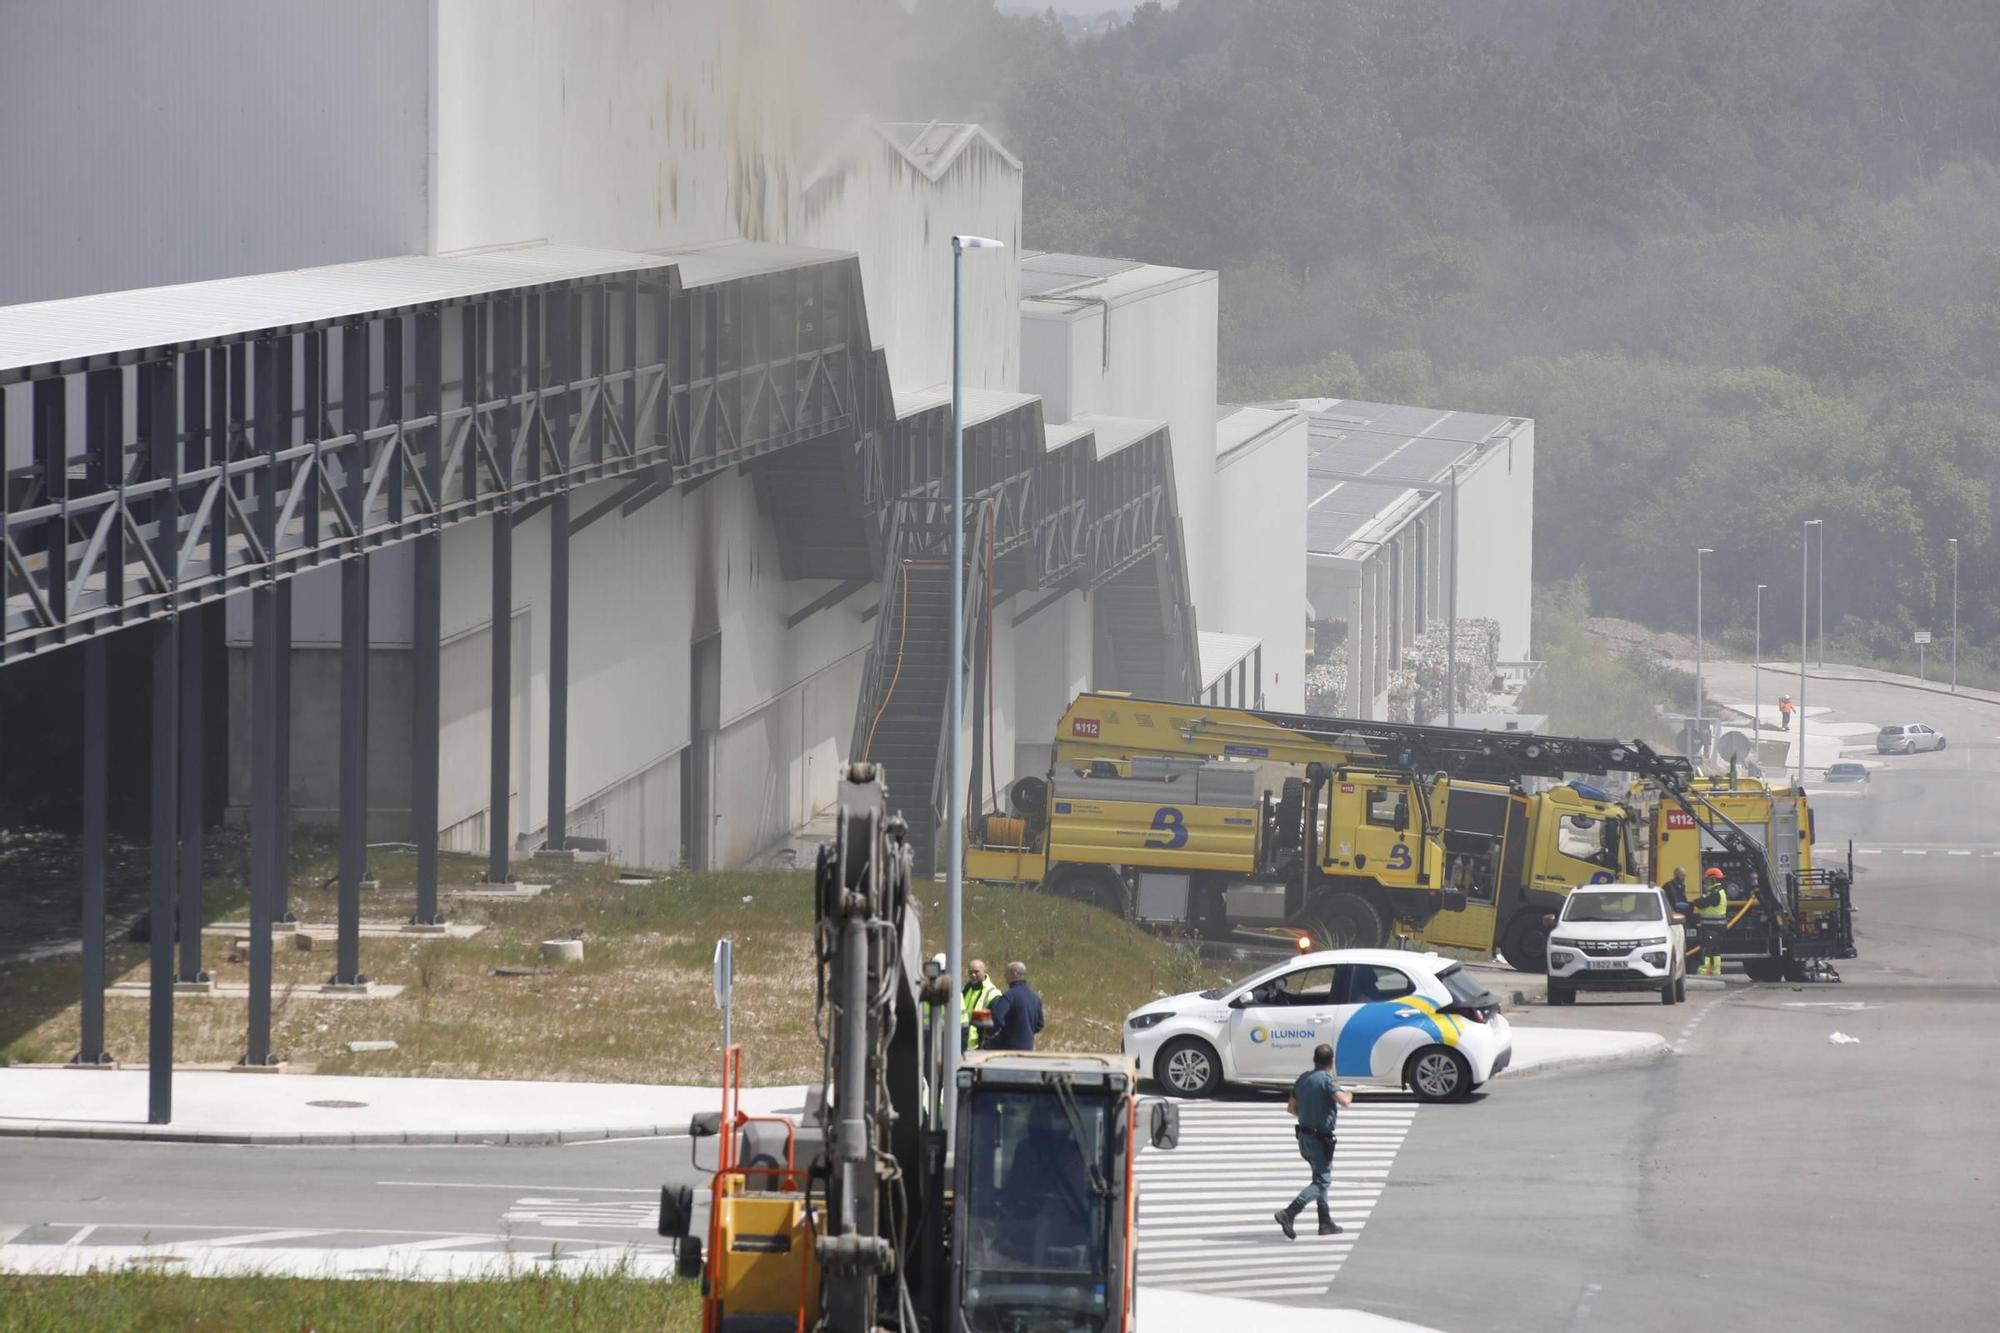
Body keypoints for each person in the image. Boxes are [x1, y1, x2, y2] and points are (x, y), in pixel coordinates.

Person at [1275, 1043, 1352, 1239]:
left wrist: (1308, 1114)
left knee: (1319, 1177)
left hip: (1304, 1137)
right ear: (1331, 1061)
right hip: (1320, 1139)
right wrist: (1349, 1094)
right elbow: (1344, 1101)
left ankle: (1325, 1222)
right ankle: (1289, 1212)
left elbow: (1291, 1109)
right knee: (1322, 1181)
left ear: (1314, 1060)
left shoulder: (1303, 1079)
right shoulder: (1327, 1080)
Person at [984, 961, 1045, 1052]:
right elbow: (1040, 1024)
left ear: (1014, 973)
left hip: (1008, 1049)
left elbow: (997, 1017)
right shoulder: (1035, 998)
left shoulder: (1009, 996)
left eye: (1006, 973)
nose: (1004, 975)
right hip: (1027, 1048)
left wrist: (990, 1033)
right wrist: (1026, 1032)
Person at [962, 958, 1002, 1051]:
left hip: (978, 1047)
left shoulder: (993, 994)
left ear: (985, 971)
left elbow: (994, 1025)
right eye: (970, 972)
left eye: (976, 972)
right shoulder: (967, 989)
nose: (973, 975)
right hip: (963, 1043)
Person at [1696, 867, 1729, 976]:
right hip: (1718, 927)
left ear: (1714, 880)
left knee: (1707, 949)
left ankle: (1704, 970)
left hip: (1712, 927)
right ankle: (1716, 970)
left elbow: (1703, 903)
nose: (1706, 882)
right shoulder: (1720, 892)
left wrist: (1693, 902)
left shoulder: (1715, 893)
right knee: (1715, 950)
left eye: (1707, 880)